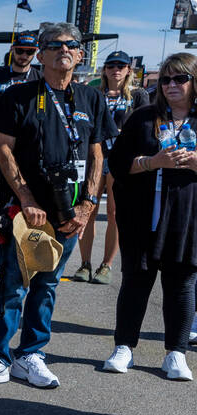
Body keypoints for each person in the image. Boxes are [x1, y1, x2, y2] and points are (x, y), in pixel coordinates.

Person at [0, 22, 114, 390]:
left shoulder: (91, 98)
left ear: (81, 55)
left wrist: (88, 205)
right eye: (55, 45)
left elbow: (97, 154)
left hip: (69, 211)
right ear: (42, 55)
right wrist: (27, 198)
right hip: (25, 211)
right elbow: (3, 149)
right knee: (13, 286)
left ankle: (31, 355)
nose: (64, 49)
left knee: (47, 285)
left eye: (72, 45)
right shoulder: (19, 95)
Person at [105, 53, 197, 380]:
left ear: (194, 82)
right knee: (136, 280)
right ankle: (124, 347)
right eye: (166, 79)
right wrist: (153, 161)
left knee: (182, 283)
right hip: (143, 216)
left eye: (180, 79)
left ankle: (175, 353)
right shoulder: (144, 116)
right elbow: (117, 164)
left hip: (188, 220)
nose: (172, 85)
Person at [71, 50, 151, 284]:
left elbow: (143, 128)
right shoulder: (94, 93)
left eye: (121, 66)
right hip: (95, 158)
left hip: (122, 160)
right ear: (105, 69)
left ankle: (106, 265)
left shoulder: (138, 95)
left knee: (115, 213)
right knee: (88, 210)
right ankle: (85, 264)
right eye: (111, 65)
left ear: (128, 70)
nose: (116, 69)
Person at [0, 32, 42, 276]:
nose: (24, 56)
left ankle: (14, 256)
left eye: (29, 52)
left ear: (36, 54)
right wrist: (3, 137)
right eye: (20, 50)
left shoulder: (39, 77)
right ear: (13, 50)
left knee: (20, 207)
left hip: (25, 157)